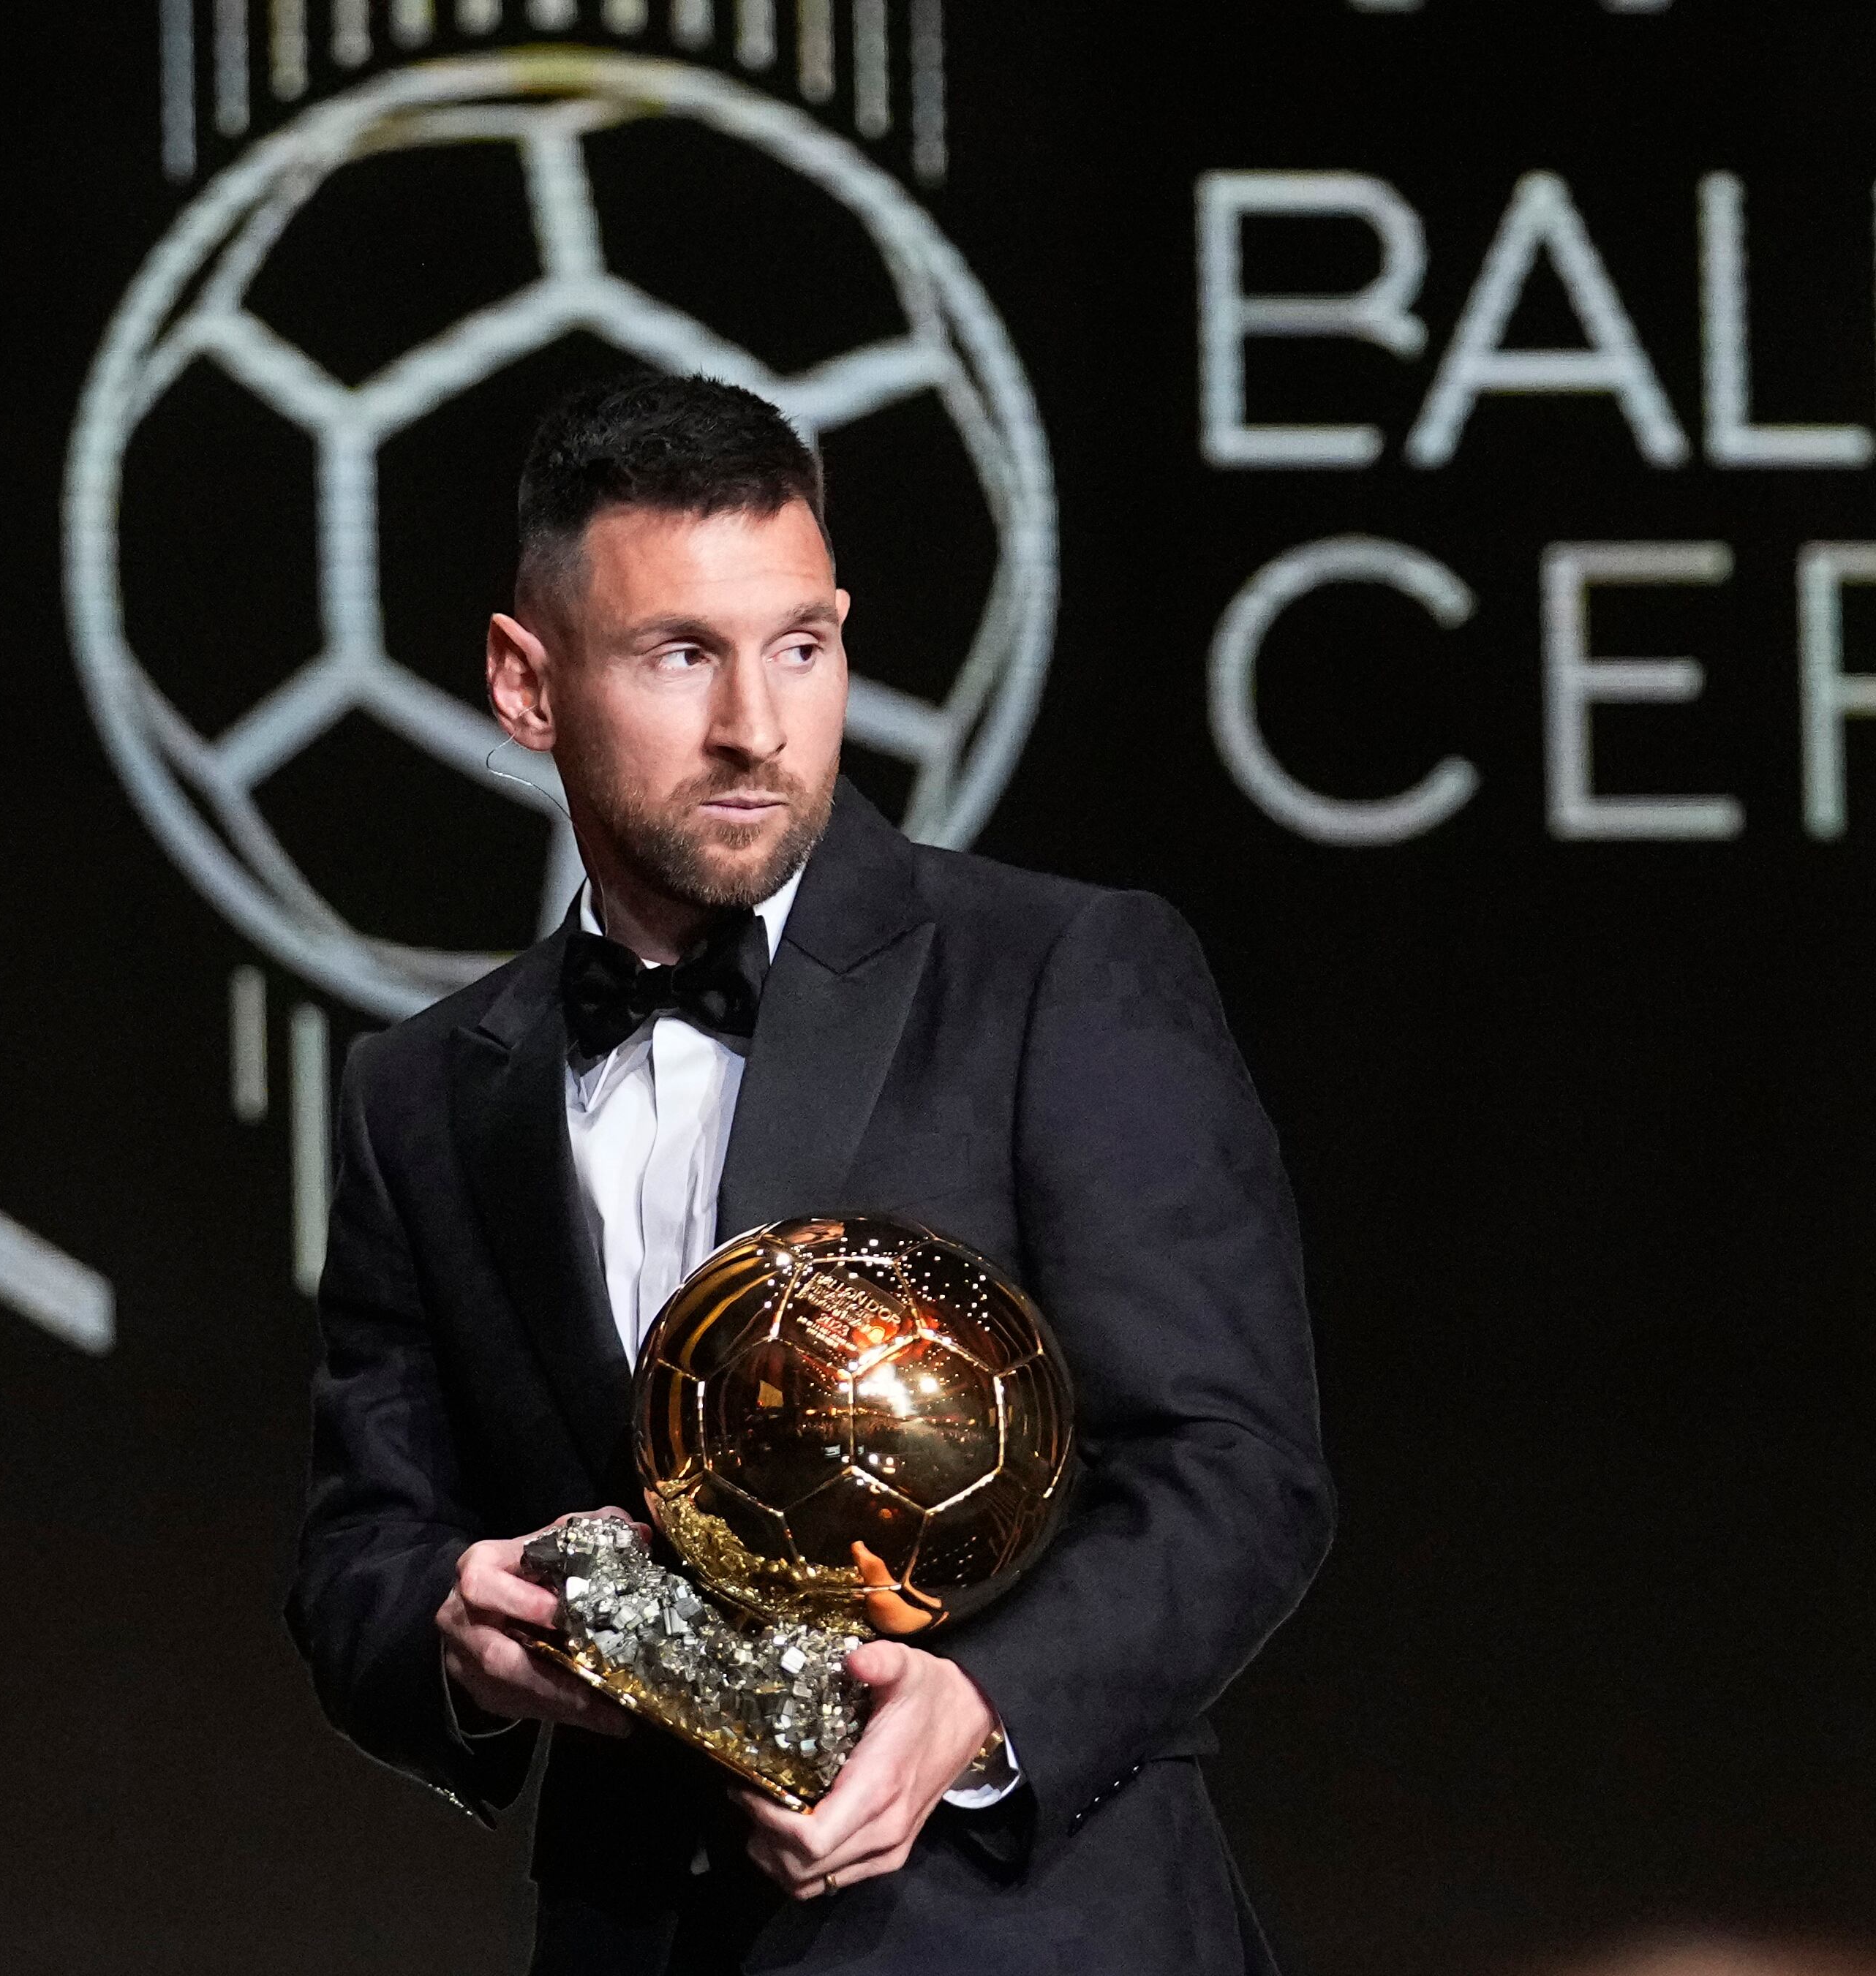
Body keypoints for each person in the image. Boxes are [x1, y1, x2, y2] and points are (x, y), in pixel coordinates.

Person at [285, 371, 1333, 1976]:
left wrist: (978, 1709)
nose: (755, 727)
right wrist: (454, 1625)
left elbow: (1235, 1465)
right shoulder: (422, 1095)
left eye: (800, 646)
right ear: (524, 681)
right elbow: (361, 1549)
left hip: (1036, 1937)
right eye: (678, 655)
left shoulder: (1057, 972)